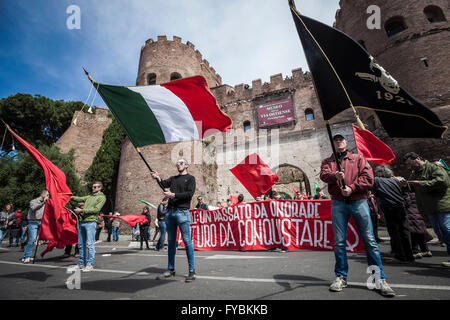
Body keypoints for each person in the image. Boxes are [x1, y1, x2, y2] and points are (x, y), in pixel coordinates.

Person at [320, 133, 395, 297]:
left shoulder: (358, 159)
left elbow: (368, 178)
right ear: (332, 144)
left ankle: (378, 278)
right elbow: (324, 175)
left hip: (358, 201)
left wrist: (352, 188)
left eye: (341, 140)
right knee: (339, 242)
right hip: (338, 202)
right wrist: (335, 176)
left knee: (369, 240)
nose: (339, 142)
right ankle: (341, 276)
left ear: (346, 143)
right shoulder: (328, 162)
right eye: (336, 140)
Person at [150, 158, 196, 282]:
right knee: (171, 241)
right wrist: (158, 178)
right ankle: (171, 269)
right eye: (177, 163)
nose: (178, 165)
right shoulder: (174, 179)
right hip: (170, 212)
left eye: (181, 163)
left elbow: (189, 194)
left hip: (182, 212)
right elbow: (164, 185)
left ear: (186, 165)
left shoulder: (191, 179)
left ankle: (192, 271)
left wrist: (173, 195)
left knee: (187, 241)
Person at [403, 152, 450, 267]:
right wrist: (405, 184)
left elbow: (443, 182)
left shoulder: (434, 167)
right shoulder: (415, 173)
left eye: (411, 163)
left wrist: (420, 183)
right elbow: (411, 186)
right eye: (408, 165)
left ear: (418, 158)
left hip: (443, 205)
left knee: (447, 229)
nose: (410, 167)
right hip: (430, 208)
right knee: (440, 233)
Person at [372, 165, 414, 262]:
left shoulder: (377, 180)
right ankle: (409, 255)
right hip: (401, 206)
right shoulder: (395, 180)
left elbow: (376, 193)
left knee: (394, 232)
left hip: (389, 207)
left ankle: (399, 255)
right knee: (404, 231)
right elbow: (404, 192)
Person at [70, 181, 106, 272]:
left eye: (95, 187)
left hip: (90, 222)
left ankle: (90, 264)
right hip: (82, 222)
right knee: (81, 244)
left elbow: (96, 209)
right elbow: (79, 198)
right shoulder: (90, 196)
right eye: (93, 187)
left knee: (90, 244)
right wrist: (69, 196)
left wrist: (81, 211)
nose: (92, 188)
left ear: (100, 188)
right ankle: (81, 264)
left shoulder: (102, 197)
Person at [22, 191, 49, 263]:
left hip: (41, 222)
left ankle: (25, 256)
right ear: (42, 194)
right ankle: (27, 256)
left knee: (35, 240)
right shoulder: (33, 201)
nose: (48, 196)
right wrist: (43, 202)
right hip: (33, 222)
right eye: (47, 195)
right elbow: (34, 208)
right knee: (32, 239)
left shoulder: (46, 202)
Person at [404, 191, 433, 259]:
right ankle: (426, 250)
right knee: (421, 234)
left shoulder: (408, 194)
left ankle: (415, 251)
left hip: (411, 215)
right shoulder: (419, 194)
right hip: (419, 214)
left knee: (413, 234)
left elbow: (406, 203)